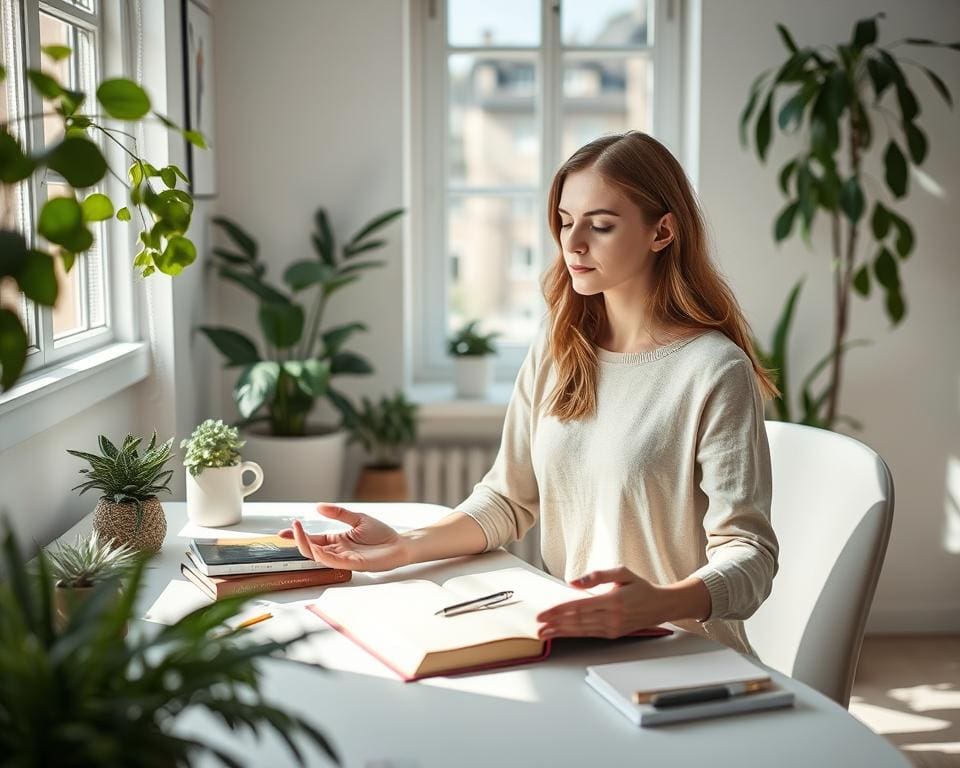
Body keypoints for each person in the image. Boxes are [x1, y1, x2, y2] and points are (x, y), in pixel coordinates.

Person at [279, 131, 779, 656]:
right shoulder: (559, 346)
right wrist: (405, 546)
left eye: (601, 225)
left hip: (684, 657)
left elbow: (751, 556)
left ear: (663, 232)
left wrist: (656, 602)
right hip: (574, 647)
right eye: (565, 222)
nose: (573, 243)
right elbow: (508, 498)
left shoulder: (715, 370)